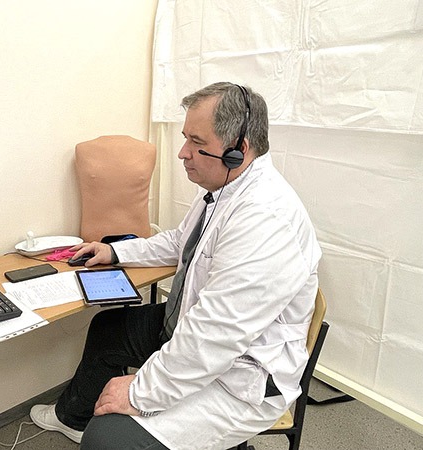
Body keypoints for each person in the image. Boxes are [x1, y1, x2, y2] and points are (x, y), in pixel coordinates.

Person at [31, 82, 321, 449]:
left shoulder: (266, 219)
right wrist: (115, 252)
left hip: (242, 375)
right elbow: (180, 241)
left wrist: (139, 391)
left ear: (238, 150)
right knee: (109, 329)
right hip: (200, 330)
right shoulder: (223, 190)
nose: (183, 153)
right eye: (185, 139)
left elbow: (216, 335)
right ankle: (72, 417)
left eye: (197, 143)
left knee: (107, 440)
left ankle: (98, 429)